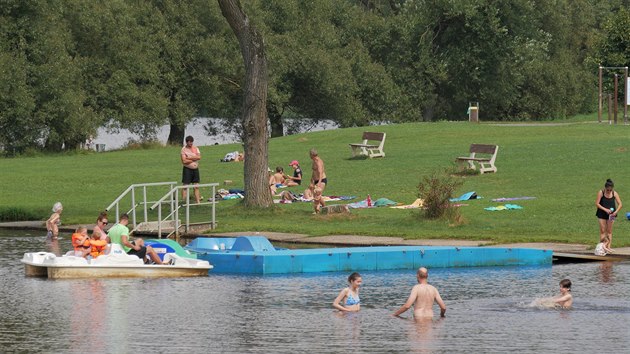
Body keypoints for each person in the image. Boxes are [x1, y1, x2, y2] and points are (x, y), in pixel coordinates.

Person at [595, 179, 622, 254]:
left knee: (609, 231)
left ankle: (608, 247)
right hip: (601, 214)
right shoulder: (601, 192)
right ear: (605, 188)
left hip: (612, 215)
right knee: (603, 231)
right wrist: (605, 210)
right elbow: (597, 203)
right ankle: (601, 248)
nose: (609, 191)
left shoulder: (614, 193)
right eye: (608, 190)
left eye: (610, 190)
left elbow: (620, 204)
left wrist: (615, 212)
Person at [181, 135, 201, 204]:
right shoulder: (183, 149)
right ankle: (183, 201)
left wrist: (189, 158)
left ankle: (198, 201)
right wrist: (193, 159)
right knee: (185, 186)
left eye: (192, 143)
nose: (191, 144)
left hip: (195, 170)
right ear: (187, 142)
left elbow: (199, 157)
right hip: (187, 169)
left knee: (196, 186)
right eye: (189, 143)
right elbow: (184, 161)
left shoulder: (196, 148)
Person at [309, 148, 327, 213]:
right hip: (315, 180)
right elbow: (314, 172)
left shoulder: (318, 162)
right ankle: (325, 208)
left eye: (310, 154)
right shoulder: (314, 161)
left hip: (321, 180)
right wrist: (311, 180)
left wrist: (319, 182)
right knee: (317, 196)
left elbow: (320, 173)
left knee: (317, 195)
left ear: (312, 155)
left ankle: (317, 211)